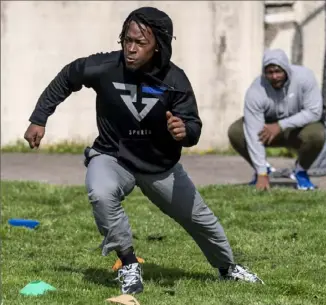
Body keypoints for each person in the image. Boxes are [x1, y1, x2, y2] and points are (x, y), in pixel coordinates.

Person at [24, 7, 264, 294]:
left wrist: (184, 131)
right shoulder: (105, 67)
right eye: (127, 40)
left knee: (200, 220)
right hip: (113, 156)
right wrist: (39, 118)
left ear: (158, 46)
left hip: (161, 166)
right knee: (100, 192)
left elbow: (193, 129)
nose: (131, 49)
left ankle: (228, 268)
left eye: (140, 43)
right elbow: (68, 76)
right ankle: (128, 264)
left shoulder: (175, 80)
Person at [228, 48, 326, 191]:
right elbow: (253, 131)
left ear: (286, 69)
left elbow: (314, 112)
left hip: (297, 130)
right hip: (266, 132)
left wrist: (281, 125)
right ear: (264, 73)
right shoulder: (256, 90)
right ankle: (263, 170)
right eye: (270, 72)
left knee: (317, 133)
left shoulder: (305, 77)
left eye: (278, 71)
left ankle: (300, 171)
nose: (274, 76)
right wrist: (261, 171)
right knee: (236, 131)